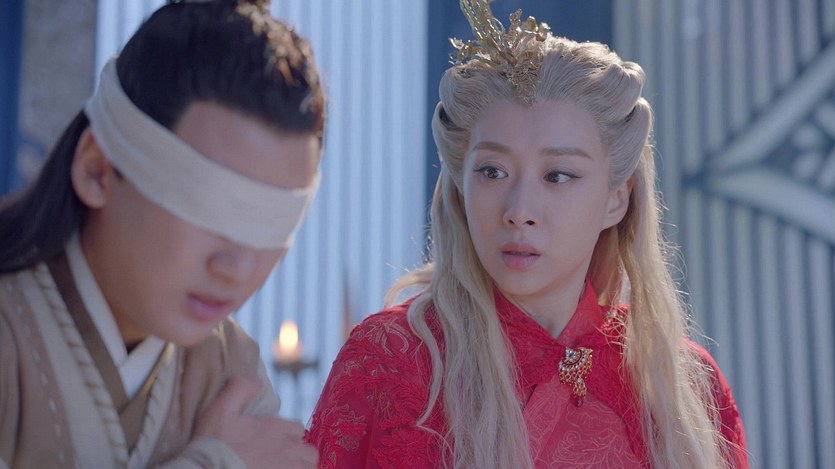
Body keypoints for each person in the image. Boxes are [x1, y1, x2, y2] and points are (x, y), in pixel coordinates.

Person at [306, 1, 748, 468]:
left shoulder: (682, 385)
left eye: (558, 176)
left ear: (616, 199)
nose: (518, 212)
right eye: (492, 171)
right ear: (461, 186)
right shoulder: (391, 358)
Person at [0, 0, 324, 467]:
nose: (236, 268)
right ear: (97, 170)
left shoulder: (230, 368)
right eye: (206, 208)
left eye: (271, 226)